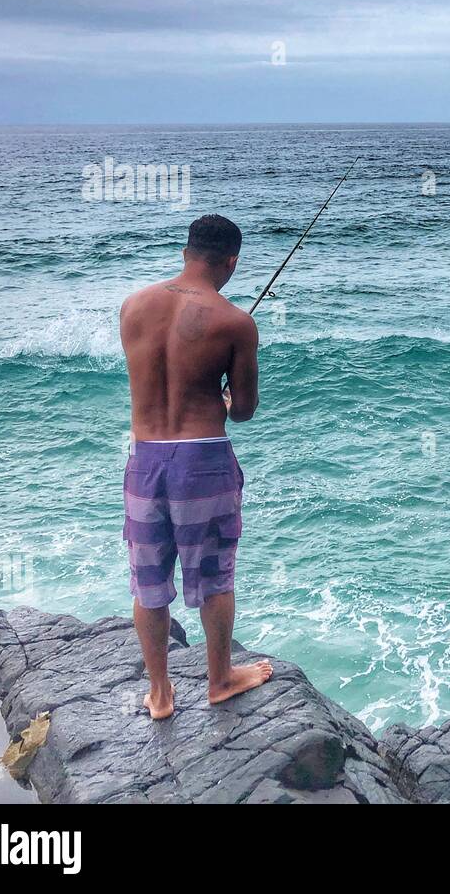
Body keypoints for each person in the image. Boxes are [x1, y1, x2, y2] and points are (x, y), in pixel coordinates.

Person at [119, 214, 271, 719]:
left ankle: (160, 694)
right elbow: (244, 409)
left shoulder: (134, 307)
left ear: (185, 253)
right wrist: (225, 398)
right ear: (231, 262)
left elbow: (161, 375)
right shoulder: (235, 322)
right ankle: (220, 680)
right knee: (214, 576)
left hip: (144, 458)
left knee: (148, 578)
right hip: (202, 459)